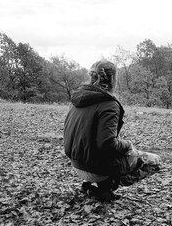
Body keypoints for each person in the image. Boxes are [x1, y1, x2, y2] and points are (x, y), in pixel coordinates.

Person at [63, 59, 160, 201]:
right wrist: (127, 144)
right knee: (155, 161)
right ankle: (105, 187)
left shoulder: (78, 98)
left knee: (115, 151)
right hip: (95, 168)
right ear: (113, 79)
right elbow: (106, 144)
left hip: (77, 164)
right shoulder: (109, 104)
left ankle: (89, 184)